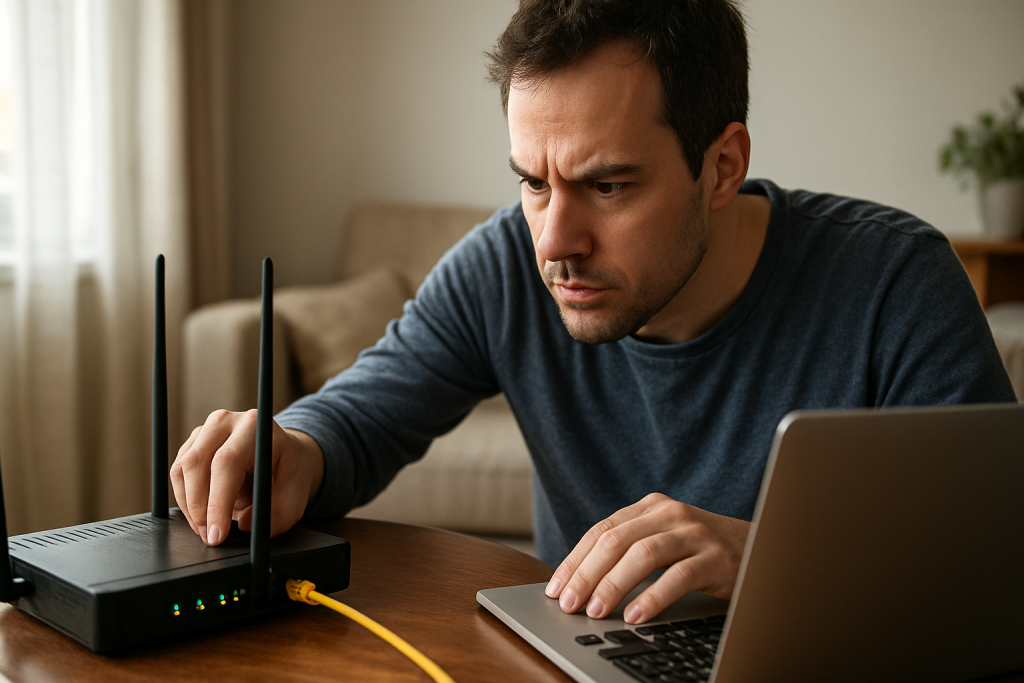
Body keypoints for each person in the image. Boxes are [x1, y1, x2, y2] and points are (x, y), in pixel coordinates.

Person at [170, 0, 1015, 626]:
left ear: (721, 167)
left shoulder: (896, 281)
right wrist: (294, 447)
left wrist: (772, 559)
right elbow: (359, 417)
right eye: (534, 182)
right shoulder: (507, 264)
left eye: (607, 185)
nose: (555, 241)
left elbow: (995, 559)